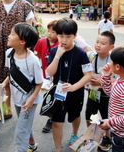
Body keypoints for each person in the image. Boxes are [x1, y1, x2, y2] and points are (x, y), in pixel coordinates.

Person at [46, 18, 92, 152]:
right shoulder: (55, 51)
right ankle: (57, 148)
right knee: (57, 121)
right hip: (58, 93)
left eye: (68, 36)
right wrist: (57, 56)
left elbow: (88, 75)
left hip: (75, 92)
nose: (64, 40)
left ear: (75, 36)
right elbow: (50, 72)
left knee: (75, 116)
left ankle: (74, 133)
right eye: (61, 36)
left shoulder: (81, 53)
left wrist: (73, 87)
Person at [0, 23, 42, 152]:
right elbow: (11, 73)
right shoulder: (9, 53)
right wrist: (5, 82)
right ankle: (32, 144)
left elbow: (39, 82)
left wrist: (31, 99)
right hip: (18, 99)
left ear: (22, 41)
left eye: (13, 34)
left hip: (29, 101)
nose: (9, 36)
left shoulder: (33, 60)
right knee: (25, 124)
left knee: (21, 131)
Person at [85, 31, 115, 151]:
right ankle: (91, 136)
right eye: (97, 42)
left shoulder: (113, 60)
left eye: (103, 43)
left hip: (107, 96)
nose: (98, 45)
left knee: (106, 117)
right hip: (92, 93)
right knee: (90, 115)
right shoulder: (91, 55)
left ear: (111, 47)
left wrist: (101, 82)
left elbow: (117, 80)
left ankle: (107, 138)